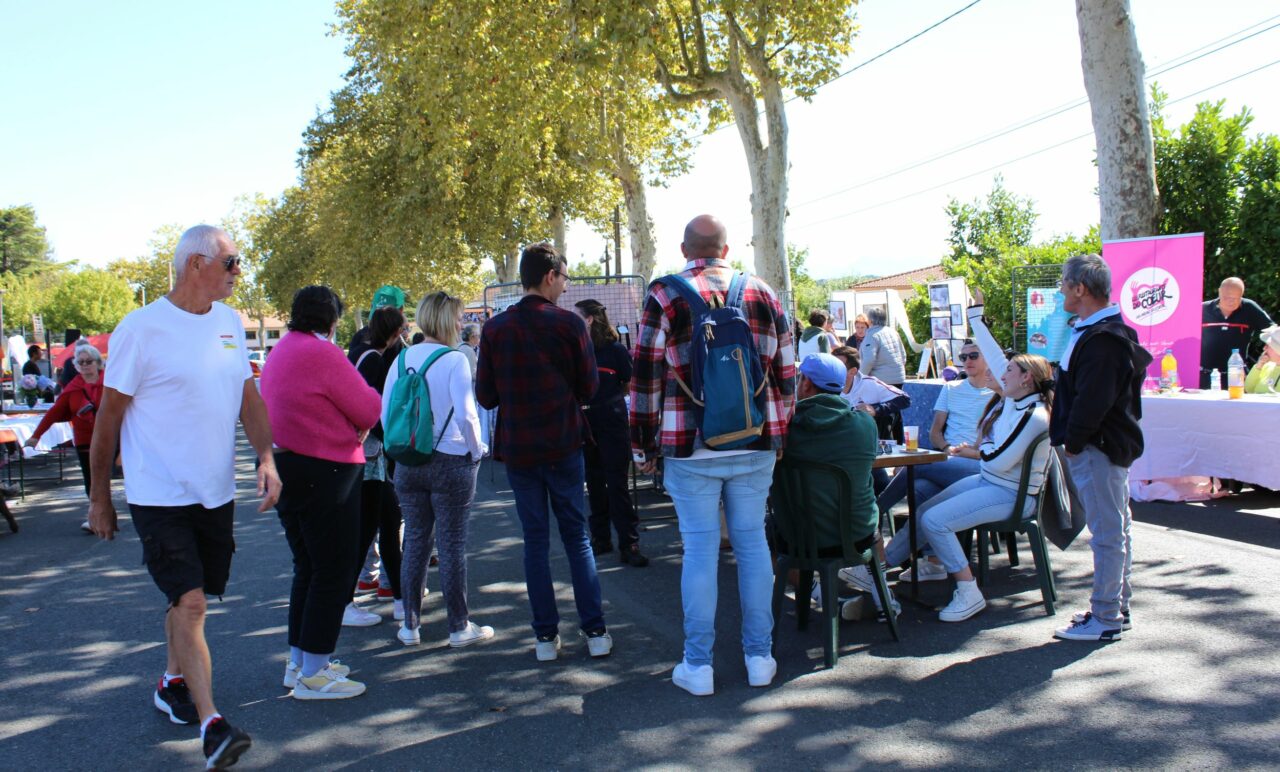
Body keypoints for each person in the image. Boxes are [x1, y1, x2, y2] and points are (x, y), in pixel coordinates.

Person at [88, 224, 280, 769]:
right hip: (158, 491)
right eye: (232, 262)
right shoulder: (141, 329)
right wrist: (99, 497)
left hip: (214, 490)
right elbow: (109, 418)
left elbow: (248, 397)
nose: (238, 272)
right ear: (195, 264)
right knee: (192, 602)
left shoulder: (228, 323)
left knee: (189, 597)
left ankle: (171, 679)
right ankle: (212, 724)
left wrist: (266, 460)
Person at [630, 214, 795, 696]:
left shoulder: (665, 295)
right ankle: (759, 657)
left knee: (700, 551)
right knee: (752, 546)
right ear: (726, 250)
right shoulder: (762, 293)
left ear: (685, 249)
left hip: (690, 446)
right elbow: (787, 374)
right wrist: (778, 437)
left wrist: (643, 447)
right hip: (754, 441)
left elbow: (645, 379)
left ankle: (698, 666)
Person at [476, 244, 612, 662]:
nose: (566, 286)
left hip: (519, 448)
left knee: (535, 540)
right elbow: (590, 388)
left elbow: (486, 395)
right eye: (565, 278)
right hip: (564, 441)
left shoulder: (496, 329)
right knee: (577, 537)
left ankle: (544, 638)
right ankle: (595, 632)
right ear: (551, 275)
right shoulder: (570, 326)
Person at [262, 286, 381, 700]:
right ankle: (315, 670)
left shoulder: (282, 351)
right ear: (332, 320)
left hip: (288, 465)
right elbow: (367, 407)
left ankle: (300, 662)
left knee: (308, 568)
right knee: (333, 570)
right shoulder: (323, 353)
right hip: (327, 470)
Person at [1048, 254, 1151, 641]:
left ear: (1080, 289)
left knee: (1108, 532)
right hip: (1104, 445)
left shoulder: (1104, 338)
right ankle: (1114, 606)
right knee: (1116, 528)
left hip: (1098, 447)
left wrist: (1073, 442)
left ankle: (1106, 617)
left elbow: (1095, 399)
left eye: (1063, 282)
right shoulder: (1100, 331)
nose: (1060, 289)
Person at [387, 291, 493, 649]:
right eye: (460, 318)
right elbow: (467, 415)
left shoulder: (401, 360)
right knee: (451, 545)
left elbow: (386, 414)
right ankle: (458, 625)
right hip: (450, 461)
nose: (463, 324)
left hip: (408, 461)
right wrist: (477, 451)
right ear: (449, 320)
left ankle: (409, 625)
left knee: (416, 541)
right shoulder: (454, 360)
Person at [784, 353, 899, 620]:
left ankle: (819, 595)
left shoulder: (786, 427)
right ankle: (884, 596)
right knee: (872, 519)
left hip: (798, 535)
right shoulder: (864, 426)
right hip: (857, 533)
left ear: (806, 383)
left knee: (764, 533)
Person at [873, 339, 994, 523]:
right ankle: (929, 551)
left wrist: (971, 452)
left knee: (918, 465)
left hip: (979, 461)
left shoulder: (997, 393)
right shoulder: (951, 388)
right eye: (963, 357)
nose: (967, 360)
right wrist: (946, 448)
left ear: (988, 357)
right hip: (951, 456)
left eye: (973, 356)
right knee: (920, 487)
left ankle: (874, 513)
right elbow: (935, 432)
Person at [347, 305, 408, 627]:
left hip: (369, 455)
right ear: (395, 332)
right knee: (376, 525)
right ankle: (354, 599)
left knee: (383, 522)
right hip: (372, 455)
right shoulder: (372, 359)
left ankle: (399, 596)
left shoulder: (360, 352)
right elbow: (372, 409)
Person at [574, 298, 647, 567]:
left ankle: (629, 543)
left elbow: (628, 383)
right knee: (593, 483)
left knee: (617, 483)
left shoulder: (615, 350)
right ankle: (600, 538)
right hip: (587, 422)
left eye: (577, 316)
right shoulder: (577, 349)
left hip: (612, 421)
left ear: (590, 319)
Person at [26, 343, 105, 532]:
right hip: (85, 439)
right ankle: (95, 517)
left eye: (89, 361)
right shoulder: (73, 388)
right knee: (91, 479)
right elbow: (54, 413)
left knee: (121, 475)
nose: (85, 365)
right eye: (81, 362)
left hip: (111, 437)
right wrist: (36, 436)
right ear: (76, 366)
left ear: (98, 363)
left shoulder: (111, 384)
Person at [1201, 277, 1273, 388]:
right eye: (1227, 298)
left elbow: (1272, 330)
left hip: (1237, 376)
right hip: (1205, 375)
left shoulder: (1249, 308)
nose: (1231, 302)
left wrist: (1269, 351)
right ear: (1219, 292)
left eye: (1236, 298)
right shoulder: (1203, 309)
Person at [858, 308, 907, 387]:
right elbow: (903, 355)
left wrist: (859, 378)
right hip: (899, 378)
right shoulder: (893, 332)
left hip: (881, 381)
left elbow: (868, 360)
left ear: (870, 320)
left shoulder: (872, 335)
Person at [1245, 325, 1280, 394]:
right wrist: (1258, 367)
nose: (1264, 348)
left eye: (1268, 346)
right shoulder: (1267, 366)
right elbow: (1248, 389)